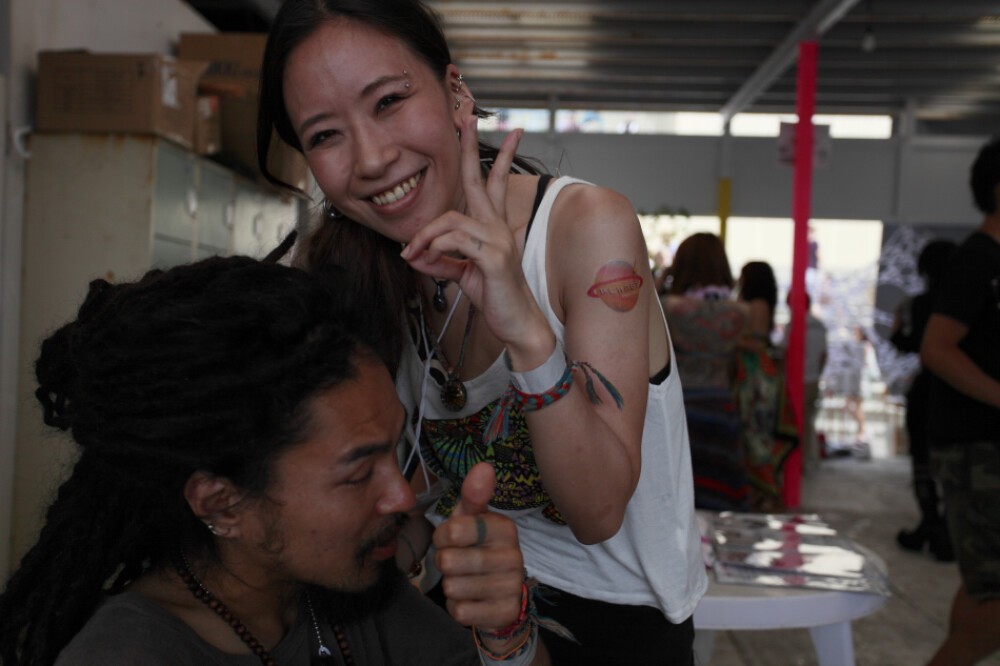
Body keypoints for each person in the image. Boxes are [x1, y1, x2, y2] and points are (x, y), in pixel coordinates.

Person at [256, 1, 707, 663]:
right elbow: (411, 495)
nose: (372, 158)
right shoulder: (356, 269)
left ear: (455, 91)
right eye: (326, 135)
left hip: (614, 622)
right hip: (458, 609)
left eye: (388, 101)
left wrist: (521, 321)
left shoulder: (584, 228)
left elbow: (598, 510)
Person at [0, 257, 544, 665]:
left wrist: (505, 629)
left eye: (395, 448)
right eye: (359, 473)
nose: (403, 496)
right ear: (223, 503)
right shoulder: (129, 653)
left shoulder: (352, 595)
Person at [921, 136, 1000, 666]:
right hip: (976, 449)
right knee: (992, 595)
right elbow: (937, 347)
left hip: (983, 446)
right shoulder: (978, 259)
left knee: (983, 586)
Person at [661, 232, 750, 510]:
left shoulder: (668, 308)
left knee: (676, 496)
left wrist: (661, 279)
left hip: (676, 406)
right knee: (719, 493)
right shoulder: (741, 312)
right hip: (721, 406)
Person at [890, 239, 956, 561]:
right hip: (955, 391)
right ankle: (945, 531)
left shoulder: (920, 304)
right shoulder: (962, 305)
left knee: (921, 461)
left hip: (925, 389)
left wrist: (897, 327)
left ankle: (930, 523)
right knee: (951, 463)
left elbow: (909, 345)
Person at [734, 260, 795, 511]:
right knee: (755, 434)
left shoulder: (757, 304)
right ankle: (763, 493)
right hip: (755, 374)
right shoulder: (762, 303)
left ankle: (767, 493)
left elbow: (756, 343)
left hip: (755, 376)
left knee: (755, 433)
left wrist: (728, 340)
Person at [785, 292, 828, 474]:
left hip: (798, 381)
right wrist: (817, 374)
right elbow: (824, 355)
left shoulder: (793, 325)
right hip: (812, 379)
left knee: (797, 423)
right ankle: (810, 459)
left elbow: (785, 352)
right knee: (808, 421)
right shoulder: (819, 326)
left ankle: (800, 461)